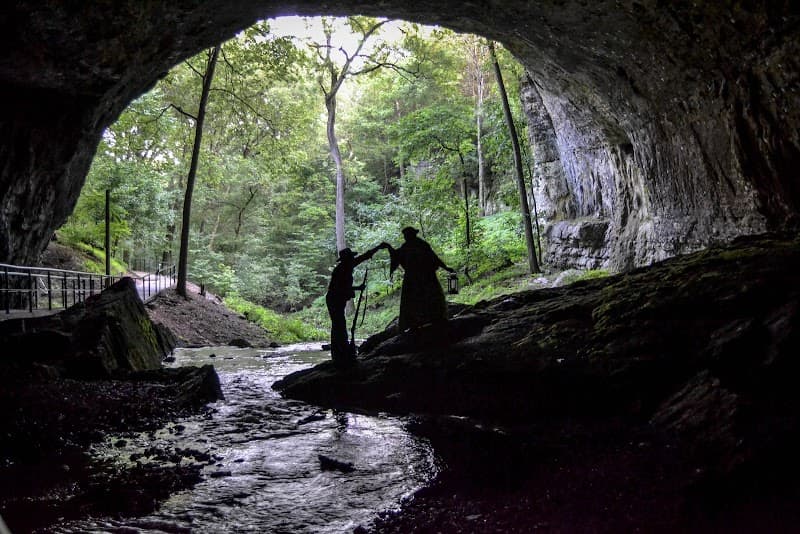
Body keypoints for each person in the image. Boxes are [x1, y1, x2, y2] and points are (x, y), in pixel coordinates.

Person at [385, 226, 455, 332]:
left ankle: (431, 319)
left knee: (424, 298)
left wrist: (445, 267)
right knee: (418, 299)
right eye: (405, 235)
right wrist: (389, 247)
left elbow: (433, 257)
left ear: (411, 235)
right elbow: (397, 255)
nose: (405, 237)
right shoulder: (409, 246)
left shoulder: (420, 245)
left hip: (421, 277)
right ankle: (417, 322)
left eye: (407, 235)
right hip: (419, 278)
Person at [326, 244, 385, 364]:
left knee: (339, 325)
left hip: (337, 300)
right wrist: (356, 289)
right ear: (347, 259)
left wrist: (378, 247)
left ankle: (341, 353)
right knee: (339, 326)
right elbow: (340, 288)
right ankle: (340, 353)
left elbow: (364, 256)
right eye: (351, 257)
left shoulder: (347, 266)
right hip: (334, 300)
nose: (353, 259)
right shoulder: (340, 270)